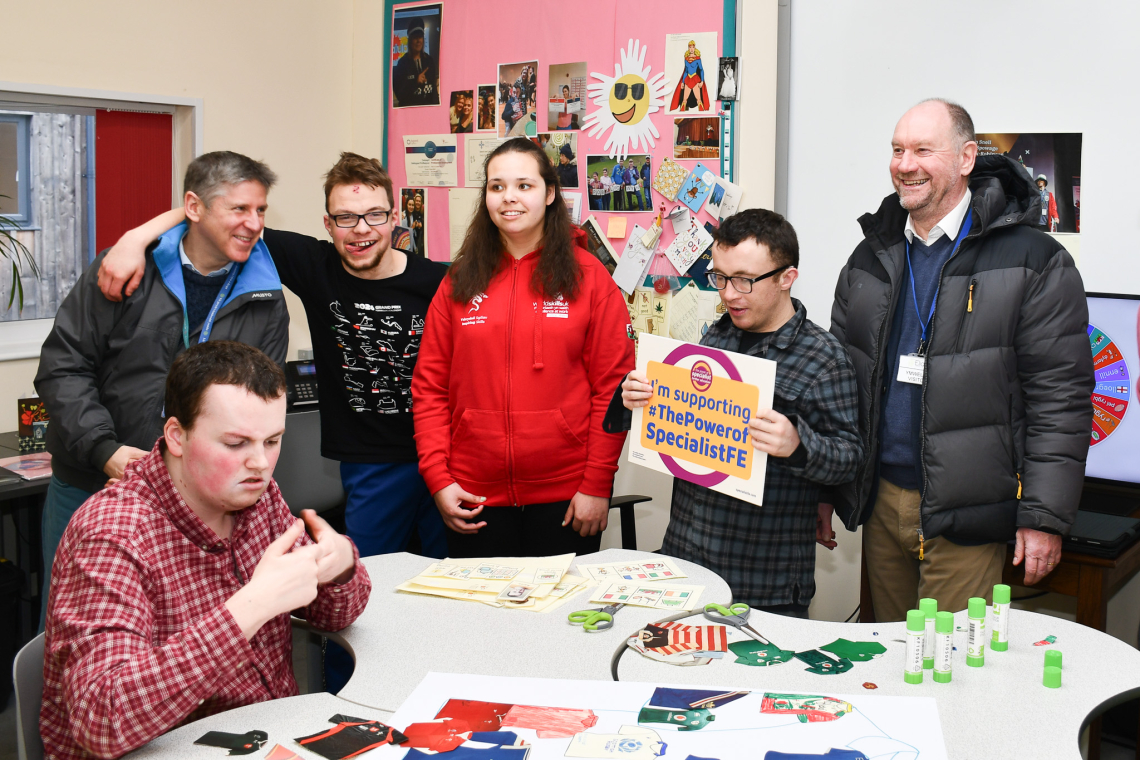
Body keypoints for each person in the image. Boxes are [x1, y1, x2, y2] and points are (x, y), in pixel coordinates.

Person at [98, 153, 450, 560]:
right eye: (346, 218)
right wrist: (135, 238)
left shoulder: (437, 281)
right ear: (328, 224)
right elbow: (221, 218)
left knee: (446, 574)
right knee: (370, 578)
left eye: (374, 215)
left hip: (444, 455)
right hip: (371, 460)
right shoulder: (315, 266)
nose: (361, 230)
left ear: (394, 218)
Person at [40, 340, 372, 760]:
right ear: (177, 437)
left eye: (272, 441)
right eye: (236, 444)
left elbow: (335, 614)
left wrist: (340, 568)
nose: (260, 464)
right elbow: (103, 722)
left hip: (266, 738)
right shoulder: (112, 533)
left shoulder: (258, 497)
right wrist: (249, 608)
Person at [827, 99, 1092, 622]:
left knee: (948, 678)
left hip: (969, 512)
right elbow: (838, 382)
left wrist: (1043, 517)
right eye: (898, 150)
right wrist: (828, 489)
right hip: (880, 504)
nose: (906, 164)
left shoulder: (1033, 260)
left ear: (967, 158)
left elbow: (1060, 399)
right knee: (887, 666)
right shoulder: (870, 256)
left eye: (924, 150)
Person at [34, 151, 289, 631]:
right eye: (239, 209)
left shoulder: (266, 296)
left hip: (200, 502)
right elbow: (62, 368)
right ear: (194, 207)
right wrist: (105, 450)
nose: (254, 224)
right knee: (79, 630)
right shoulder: (123, 270)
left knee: (185, 638)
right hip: (94, 480)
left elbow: (261, 403)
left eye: (261, 211)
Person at [614, 210, 862, 616]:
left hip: (765, 581)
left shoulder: (824, 358)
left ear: (787, 277)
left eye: (744, 280)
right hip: (687, 560)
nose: (729, 294)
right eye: (721, 277)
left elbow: (850, 459)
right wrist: (640, 398)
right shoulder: (717, 334)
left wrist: (798, 446)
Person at [412, 137, 634, 558]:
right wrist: (439, 480)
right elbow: (429, 388)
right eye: (497, 187)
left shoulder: (590, 279)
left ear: (550, 194)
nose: (509, 198)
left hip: (568, 498)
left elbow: (613, 391)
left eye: (523, 186)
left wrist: (596, 484)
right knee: (479, 622)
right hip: (472, 498)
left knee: (561, 623)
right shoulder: (459, 280)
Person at [392, 17, 438, 107]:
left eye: (420, 37)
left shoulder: (430, 61)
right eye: (415, 38)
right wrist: (415, 82)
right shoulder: (402, 64)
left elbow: (434, 94)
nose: (418, 41)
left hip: (429, 113)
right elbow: (400, 96)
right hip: (410, 114)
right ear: (410, 41)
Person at [670, 40, 709, 112]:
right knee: (684, 100)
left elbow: (701, 70)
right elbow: (686, 71)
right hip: (688, 79)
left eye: (693, 47)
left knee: (699, 100)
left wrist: (702, 81)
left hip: (695, 79)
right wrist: (682, 82)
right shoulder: (686, 58)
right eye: (690, 47)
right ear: (688, 48)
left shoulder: (698, 59)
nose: (691, 49)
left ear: (695, 48)